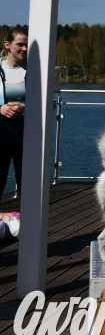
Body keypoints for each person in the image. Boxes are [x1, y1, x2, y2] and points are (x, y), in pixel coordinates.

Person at [1, 27, 28, 205]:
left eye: (26, 45)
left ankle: (28, 228)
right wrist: (0, 108)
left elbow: (49, 103)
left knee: (27, 184)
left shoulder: (32, 71)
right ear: (8, 45)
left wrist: (25, 107)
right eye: (20, 44)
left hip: (25, 138)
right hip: (1, 136)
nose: (24, 48)